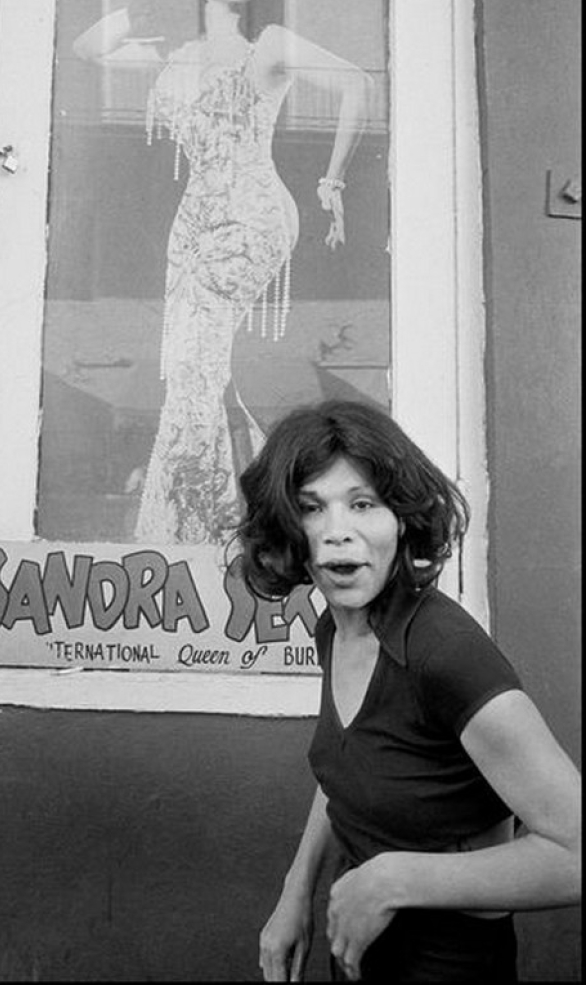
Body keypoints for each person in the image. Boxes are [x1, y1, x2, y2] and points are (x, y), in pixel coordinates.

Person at [235, 400, 581, 983]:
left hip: (449, 961)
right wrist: (295, 893)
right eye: (311, 508)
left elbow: (578, 853)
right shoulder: (337, 628)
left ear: (401, 520)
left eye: (363, 504)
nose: (338, 530)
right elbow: (346, 772)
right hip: (358, 937)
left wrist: (391, 879)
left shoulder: (443, 652)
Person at [74, 0, 372, 545]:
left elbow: (356, 83)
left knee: (198, 370)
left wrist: (332, 179)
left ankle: (207, 524)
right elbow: (86, 48)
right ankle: (225, 514)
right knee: (191, 372)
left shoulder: (268, 46)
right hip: (191, 225)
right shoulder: (170, 54)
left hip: (251, 213)